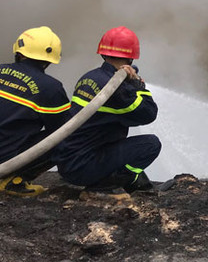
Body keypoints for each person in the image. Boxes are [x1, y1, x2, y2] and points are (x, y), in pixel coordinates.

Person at [53, 26, 160, 194]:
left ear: (103, 53)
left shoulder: (90, 77)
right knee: (151, 145)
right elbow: (148, 113)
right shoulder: (117, 89)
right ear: (131, 57)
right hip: (84, 168)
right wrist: (138, 86)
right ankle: (106, 185)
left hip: (68, 162)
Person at [0, 26, 71, 197]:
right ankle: (13, 181)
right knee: (65, 136)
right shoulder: (50, 88)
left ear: (19, 51)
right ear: (50, 59)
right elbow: (62, 128)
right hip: (6, 159)